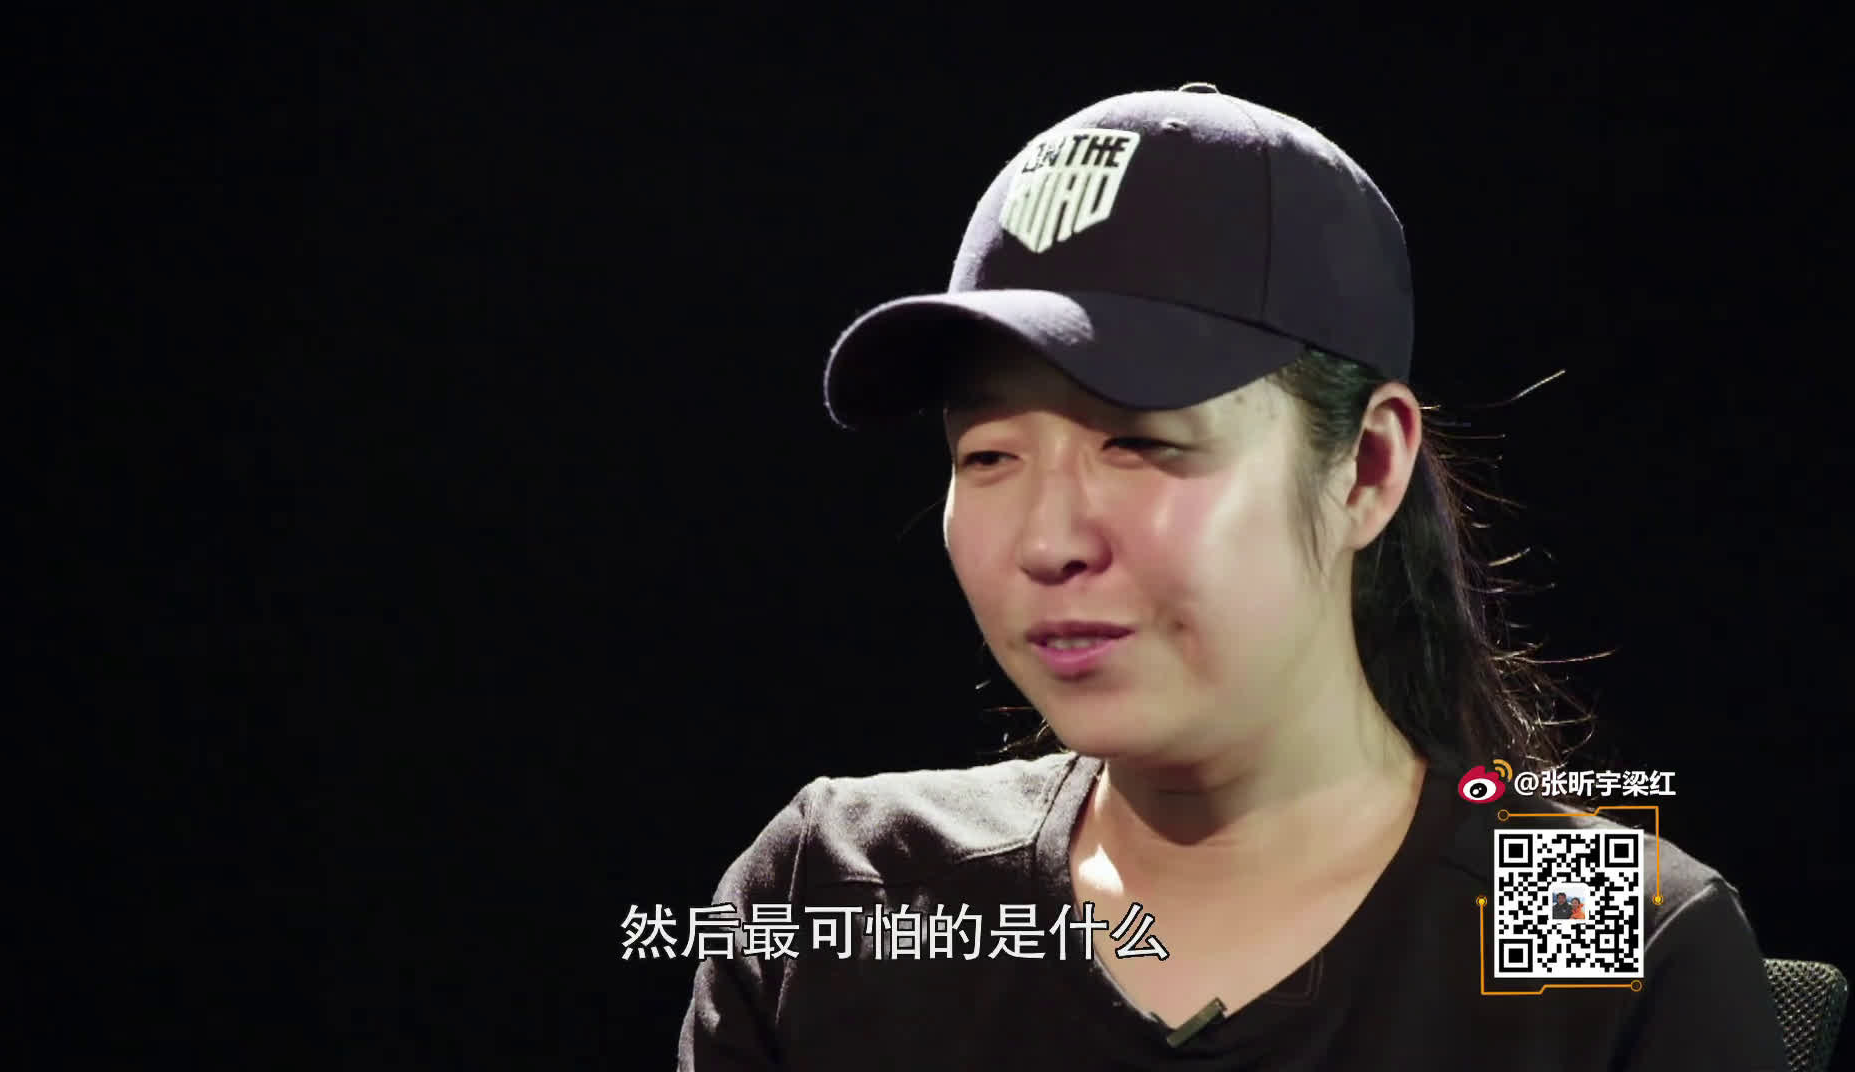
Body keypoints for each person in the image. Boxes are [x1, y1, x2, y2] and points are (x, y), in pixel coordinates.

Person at [677, 84, 1785, 1070]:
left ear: (1368, 468)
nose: (1048, 541)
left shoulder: (1598, 930)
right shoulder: (842, 890)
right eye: (989, 456)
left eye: (1140, 442)